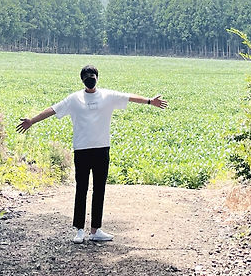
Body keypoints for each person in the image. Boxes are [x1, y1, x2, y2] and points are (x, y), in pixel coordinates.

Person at [15, 64, 168, 243]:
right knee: (81, 189)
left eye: (92, 75)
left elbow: (129, 97)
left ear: (97, 77)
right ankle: (79, 230)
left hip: (102, 149)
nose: (90, 78)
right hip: (81, 149)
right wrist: (32, 121)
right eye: (87, 76)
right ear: (82, 80)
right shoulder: (74, 99)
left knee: (99, 190)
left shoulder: (107, 96)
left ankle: (95, 231)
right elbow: (52, 110)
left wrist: (150, 101)